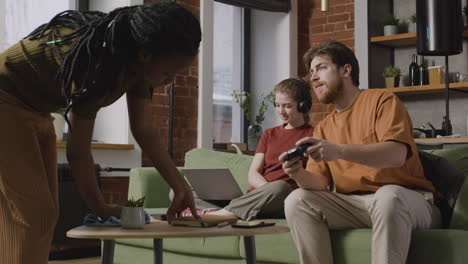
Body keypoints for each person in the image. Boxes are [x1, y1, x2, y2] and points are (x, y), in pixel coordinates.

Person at [0, 2, 201, 263]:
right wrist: (100, 207)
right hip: (5, 101)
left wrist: (179, 185)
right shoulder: (96, 63)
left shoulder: (139, 67)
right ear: (145, 54)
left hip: (37, 110)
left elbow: (144, 129)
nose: (170, 80)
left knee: (37, 215)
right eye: (168, 72)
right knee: (34, 214)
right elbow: (78, 152)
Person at [280, 41, 441, 264]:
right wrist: (297, 173)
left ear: (346, 70)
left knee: (388, 196)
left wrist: (339, 151)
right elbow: (318, 182)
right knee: (296, 200)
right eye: (311, 72)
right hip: (355, 204)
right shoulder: (324, 126)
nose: (313, 77)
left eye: (321, 68)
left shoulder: (381, 100)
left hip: (409, 200)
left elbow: (396, 155)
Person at [205, 78, 315, 220]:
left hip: (282, 198)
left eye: (287, 106)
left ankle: (223, 213)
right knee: (188, 193)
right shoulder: (269, 134)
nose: (281, 111)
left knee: (280, 187)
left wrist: (271, 192)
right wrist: (266, 192)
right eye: (277, 105)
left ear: (303, 106)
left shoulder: (313, 135)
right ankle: (233, 210)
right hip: (258, 196)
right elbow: (253, 174)